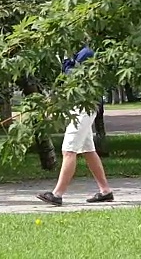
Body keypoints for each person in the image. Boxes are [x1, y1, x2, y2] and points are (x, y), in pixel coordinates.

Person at [36, 44, 114, 206]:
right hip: (77, 106)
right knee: (88, 150)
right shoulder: (70, 54)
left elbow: (75, 80)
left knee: (69, 150)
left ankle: (57, 194)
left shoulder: (86, 53)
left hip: (84, 106)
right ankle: (105, 191)